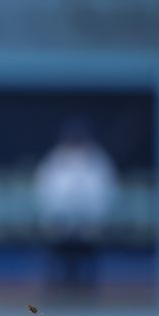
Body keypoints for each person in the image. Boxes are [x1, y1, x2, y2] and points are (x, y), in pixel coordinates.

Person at [33, 119, 118, 299]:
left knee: (88, 270)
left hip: (88, 224)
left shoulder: (97, 161)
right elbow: (44, 191)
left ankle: (88, 300)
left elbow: (106, 192)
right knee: (58, 267)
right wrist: (52, 219)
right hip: (60, 223)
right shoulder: (54, 160)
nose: (76, 143)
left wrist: (96, 220)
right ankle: (56, 300)